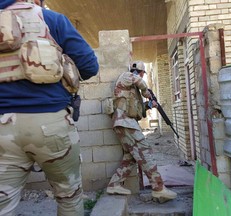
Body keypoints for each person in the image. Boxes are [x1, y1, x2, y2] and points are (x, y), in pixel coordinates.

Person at [0, 0, 99, 215]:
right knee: (69, 197)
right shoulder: (51, 19)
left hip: (2, 131)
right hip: (50, 124)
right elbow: (90, 66)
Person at [106, 60, 177, 203]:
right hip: (125, 122)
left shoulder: (132, 90)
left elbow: (137, 111)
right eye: (143, 73)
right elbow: (137, 80)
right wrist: (146, 92)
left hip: (127, 123)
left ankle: (114, 185)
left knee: (131, 157)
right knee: (144, 151)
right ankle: (158, 188)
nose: (143, 76)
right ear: (141, 72)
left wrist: (149, 104)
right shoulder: (127, 76)